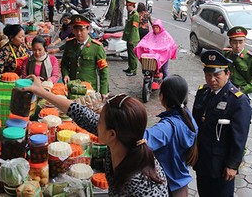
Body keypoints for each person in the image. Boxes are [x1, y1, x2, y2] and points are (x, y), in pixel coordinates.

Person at [22, 75, 169, 196]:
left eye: (100, 121)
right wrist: (41, 92)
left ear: (112, 134)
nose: (95, 123)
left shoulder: (137, 181)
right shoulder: (123, 143)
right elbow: (80, 113)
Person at [192, 50, 252, 197]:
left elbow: (240, 137)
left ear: (227, 74)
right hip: (203, 160)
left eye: (217, 75)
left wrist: (233, 164)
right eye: (208, 75)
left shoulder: (238, 101)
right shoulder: (203, 92)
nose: (212, 79)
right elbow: (196, 123)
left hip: (221, 165)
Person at [144, 75, 198, 197]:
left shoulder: (168, 127)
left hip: (169, 187)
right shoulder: (188, 117)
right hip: (181, 184)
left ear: (162, 97)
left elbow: (142, 141)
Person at [61, 14, 108, 96]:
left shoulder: (97, 47)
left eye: (81, 30)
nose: (78, 33)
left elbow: (103, 71)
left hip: (89, 90)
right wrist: (65, 74)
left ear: (88, 29)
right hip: (73, 88)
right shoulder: (70, 44)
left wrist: (103, 92)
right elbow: (64, 63)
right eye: (76, 30)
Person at [222, 26, 252, 95]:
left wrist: (244, 89)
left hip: (241, 92)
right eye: (234, 42)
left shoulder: (251, 58)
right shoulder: (226, 54)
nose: (238, 45)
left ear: (245, 42)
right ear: (230, 42)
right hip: (226, 89)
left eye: (240, 42)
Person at [134, 19, 177, 84]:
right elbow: (144, 41)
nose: (155, 29)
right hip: (152, 58)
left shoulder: (165, 35)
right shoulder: (150, 34)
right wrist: (140, 46)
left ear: (160, 27)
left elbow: (171, 43)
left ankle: (166, 84)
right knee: (146, 69)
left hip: (163, 57)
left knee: (165, 71)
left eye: (157, 27)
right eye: (154, 27)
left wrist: (166, 49)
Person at [122, 0, 140, 76]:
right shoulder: (131, 14)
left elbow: (134, 28)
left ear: (132, 6)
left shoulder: (135, 15)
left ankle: (133, 70)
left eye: (127, 6)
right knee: (129, 54)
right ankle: (130, 67)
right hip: (129, 37)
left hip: (133, 38)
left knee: (133, 55)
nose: (126, 7)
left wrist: (131, 39)